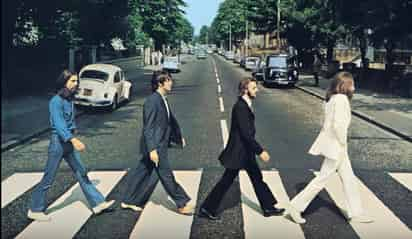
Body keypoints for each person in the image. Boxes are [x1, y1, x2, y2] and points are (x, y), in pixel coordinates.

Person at [285, 71, 373, 224]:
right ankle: (296, 206)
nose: (354, 86)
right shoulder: (341, 99)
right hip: (337, 146)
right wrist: (343, 142)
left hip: (335, 145)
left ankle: (357, 212)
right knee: (322, 179)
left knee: (349, 179)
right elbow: (338, 125)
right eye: (352, 83)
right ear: (344, 85)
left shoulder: (331, 99)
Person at [28, 70, 114, 221]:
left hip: (67, 142)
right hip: (58, 143)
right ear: (64, 83)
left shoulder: (69, 100)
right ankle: (35, 209)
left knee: (81, 172)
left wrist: (73, 129)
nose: (76, 84)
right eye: (73, 81)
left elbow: (68, 121)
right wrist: (73, 139)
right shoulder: (56, 101)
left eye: (76, 81)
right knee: (49, 177)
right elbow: (59, 124)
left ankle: (98, 203)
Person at [199, 78, 285, 220]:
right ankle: (207, 208)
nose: (257, 90)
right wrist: (260, 151)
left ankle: (268, 207)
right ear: (245, 90)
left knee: (257, 178)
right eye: (253, 88)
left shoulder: (246, 104)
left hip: (245, 152)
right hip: (239, 152)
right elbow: (245, 134)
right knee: (226, 181)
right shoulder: (240, 107)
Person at [121, 73, 193, 215]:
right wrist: (152, 149)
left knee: (142, 172)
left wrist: (178, 138)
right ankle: (181, 203)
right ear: (160, 83)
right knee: (166, 174)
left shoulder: (162, 99)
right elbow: (148, 127)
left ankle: (128, 200)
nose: (171, 83)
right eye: (168, 80)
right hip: (156, 145)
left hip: (159, 143)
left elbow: (168, 121)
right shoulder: (152, 101)